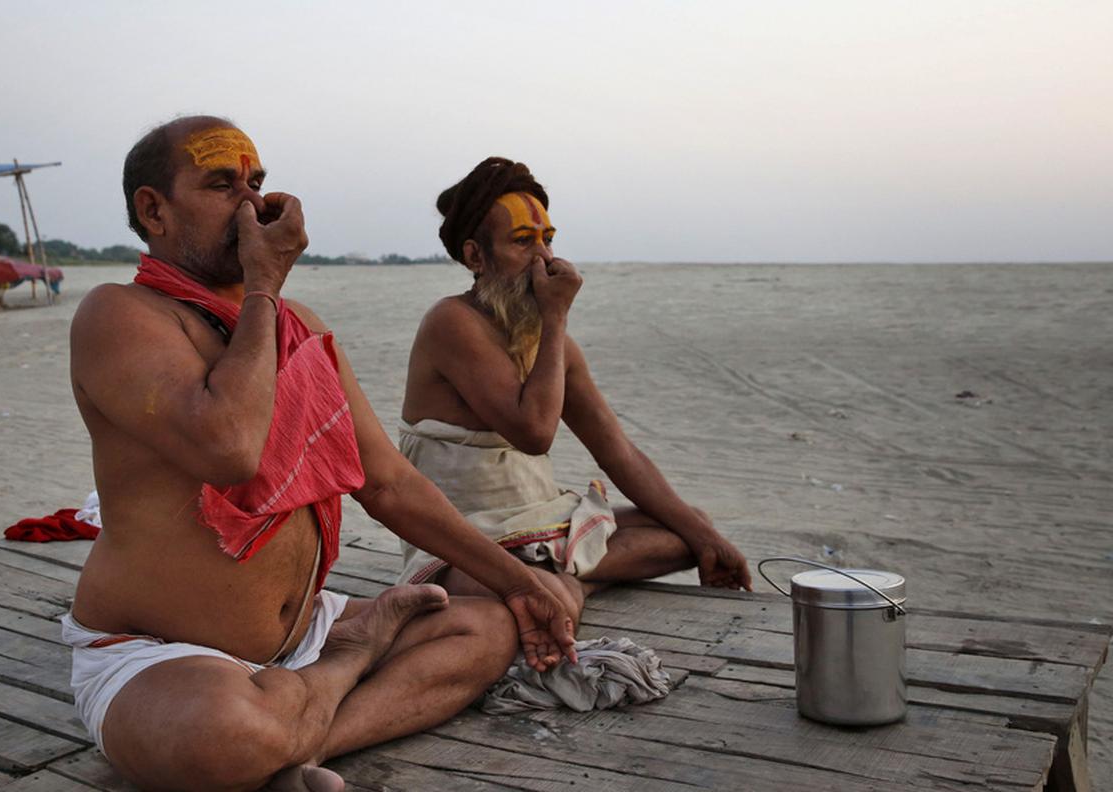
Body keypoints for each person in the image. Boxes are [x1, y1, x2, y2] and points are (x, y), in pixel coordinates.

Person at [64, 119, 577, 792]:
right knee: (223, 737)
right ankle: (340, 673)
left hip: (308, 629)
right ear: (153, 210)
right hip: (160, 653)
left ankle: (300, 743)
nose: (252, 206)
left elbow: (387, 481)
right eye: (222, 185)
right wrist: (262, 287)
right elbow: (229, 447)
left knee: (486, 627)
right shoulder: (120, 315)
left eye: (258, 184)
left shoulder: (295, 324)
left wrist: (519, 584)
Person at [398, 156, 752, 623]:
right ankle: (562, 579)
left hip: (541, 522)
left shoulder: (551, 343)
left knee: (692, 527)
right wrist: (556, 318)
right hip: (466, 540)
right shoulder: (452, 322)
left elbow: (618, 452)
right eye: (523, 242)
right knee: (544, 594)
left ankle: (570, 577)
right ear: (475, 256)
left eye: (548, 240)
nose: (544, 259)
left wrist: (711, 542)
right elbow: (534, 433)